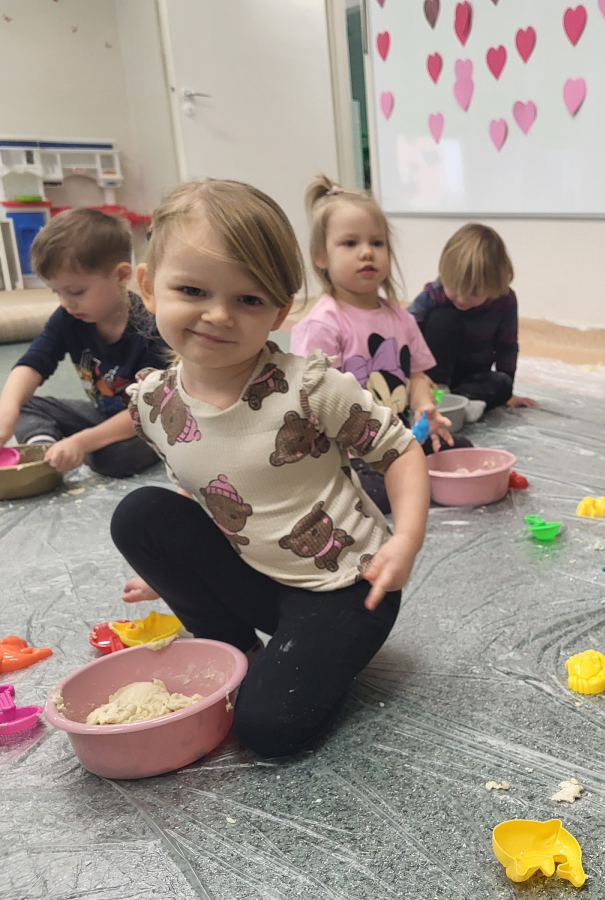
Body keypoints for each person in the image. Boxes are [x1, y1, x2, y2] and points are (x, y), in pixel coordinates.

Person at [110, 179, 429, 759]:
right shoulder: (153, 402)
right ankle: (238, 647)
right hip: (257, 573)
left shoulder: (310, 387)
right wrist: (177, 573)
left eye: (249, 300)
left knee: (265, 732)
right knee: (139, 514)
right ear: (149, 288)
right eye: (192, 290)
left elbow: (401, 450)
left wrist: (405, 540)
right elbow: (199, 490)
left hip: (348, 587)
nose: (218, 314)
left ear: (281, 311)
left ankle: (308, 661)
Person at [291, 175, 470, 513]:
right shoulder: (323, 324)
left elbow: (417, 375)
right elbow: (312, 403)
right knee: (379, 493)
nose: (366, 253)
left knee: (460, 450)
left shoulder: (401, 318)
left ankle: (412, 477)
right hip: (350, 454)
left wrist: (424, 407)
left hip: (399, 439)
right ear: (321, 256)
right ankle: (408, 481)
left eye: (377, 243)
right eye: (349, 243)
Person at [0, 207, 166, 477]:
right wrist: (5, 412)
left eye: (76, 291)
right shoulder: (69, 317)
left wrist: (82, 441)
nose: (66, 302)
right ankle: (45, 449)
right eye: (57, 292)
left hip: (146, 422)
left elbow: (148, 410)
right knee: (22, 404)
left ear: (122, 276)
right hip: (103, 414)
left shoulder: (152, 328)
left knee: (112, 458)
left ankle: (79, 447)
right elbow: (33, 363)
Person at [408, 223, 535, 414]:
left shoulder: (504, 300)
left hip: (471, 378)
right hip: (432, 377)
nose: (461, 299)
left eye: (474, 293)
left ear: (494, 286)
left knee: (502, 383)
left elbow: (507, 347)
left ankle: (461, 403)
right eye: (454, 288)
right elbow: (403, 329)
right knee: (442, 318)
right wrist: (413, 376)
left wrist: (507, 392)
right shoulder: (435, 294)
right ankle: (439, 396)